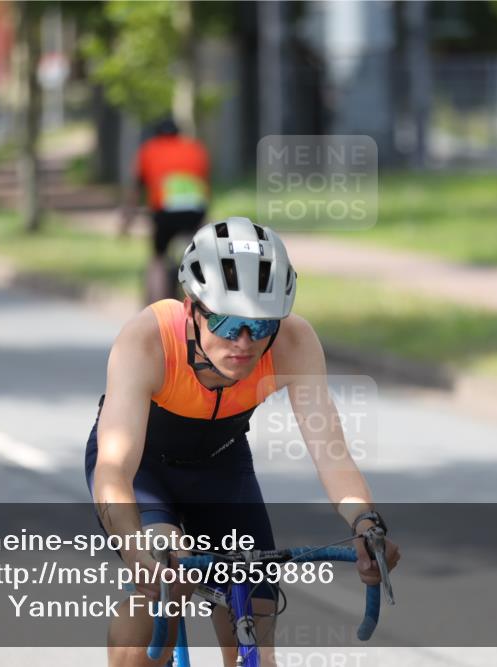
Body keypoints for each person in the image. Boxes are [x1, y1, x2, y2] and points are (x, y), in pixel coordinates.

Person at [86, 217, 400, 667]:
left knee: (255, 613)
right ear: (191, 307)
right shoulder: (148, 340)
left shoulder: (292, 342)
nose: (246, 342)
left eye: (262, 323)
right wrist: (138, 551)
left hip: (220, 465)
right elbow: (114, 469)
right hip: (143, 471)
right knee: (162, 591)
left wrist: (366, 524)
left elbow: (331, 451)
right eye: (229, 322)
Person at [118, 117, 210, 304]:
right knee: (197, 255)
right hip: (195, 211)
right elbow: (206, 184)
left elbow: (136, 189)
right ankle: (202, 302)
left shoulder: (149, 149)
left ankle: (158, 306)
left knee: (158, 259)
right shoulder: (195, 148)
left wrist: (127, 221)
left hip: (165, 212)